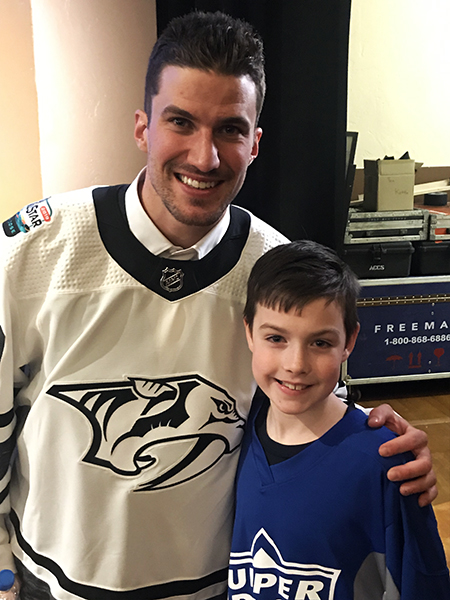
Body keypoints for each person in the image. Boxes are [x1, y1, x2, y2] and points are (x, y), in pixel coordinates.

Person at [0, 10, 437, 600]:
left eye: (230, 129)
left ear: (255, 143)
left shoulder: (276, 268)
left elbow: (312, 410)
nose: (205, 157)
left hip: (216, 585)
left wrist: (382, 449)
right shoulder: (35, 251)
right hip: (51, 581)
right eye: (181, 121)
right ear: (142, 127)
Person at [229, 240, 450, 599]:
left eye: (320, 343)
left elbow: (421, 584)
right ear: (249, 332)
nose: (296, 364)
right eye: (276, 338)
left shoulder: (385, 463)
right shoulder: (237, 426)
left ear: (349, 341)